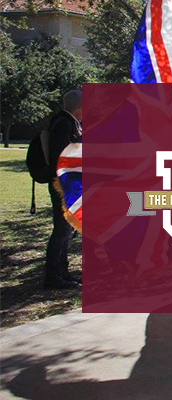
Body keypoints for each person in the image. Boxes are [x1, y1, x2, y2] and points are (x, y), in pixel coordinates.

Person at [45, 90, 82, 289]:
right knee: (61, 229)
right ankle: (52, 275)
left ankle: (63, 271)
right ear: (79, 106)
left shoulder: (70, 123)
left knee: (66, 228)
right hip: (63, 185)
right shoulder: (64, 125)